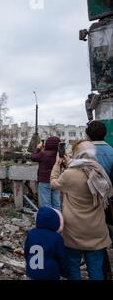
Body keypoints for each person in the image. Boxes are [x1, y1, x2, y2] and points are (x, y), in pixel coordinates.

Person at [50, 140, 112, 280]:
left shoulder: (69, 174)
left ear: (77, 154)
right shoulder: (98, 171)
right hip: (96, 231)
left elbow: (54, 183)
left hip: (74, 232)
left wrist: (57, 164)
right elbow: (83, 165)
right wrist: (70, 161)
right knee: (96, 270)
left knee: (73, 268)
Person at [85, 120, 113, 280]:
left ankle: (102, 269)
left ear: (88, 135)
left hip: (91, 200)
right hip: (110, 200)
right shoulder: (111, 151)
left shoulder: (85, 154)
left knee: (95, 237)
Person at [24, 207, 70, 280]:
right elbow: (62, 257)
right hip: (50, 273)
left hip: (32, 272)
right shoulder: (56, 237)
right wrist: (66, 273)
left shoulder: (31, 233)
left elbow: (26, 252)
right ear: (55, 221)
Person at [31, 136, 62, 210]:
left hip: (44, 182)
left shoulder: (43, 154)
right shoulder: (60, 155)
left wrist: (38, 148)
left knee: (46, 204)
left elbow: (33, 157)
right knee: (56, 204)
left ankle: (47, 220)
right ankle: (57, 220)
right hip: (56, 181)